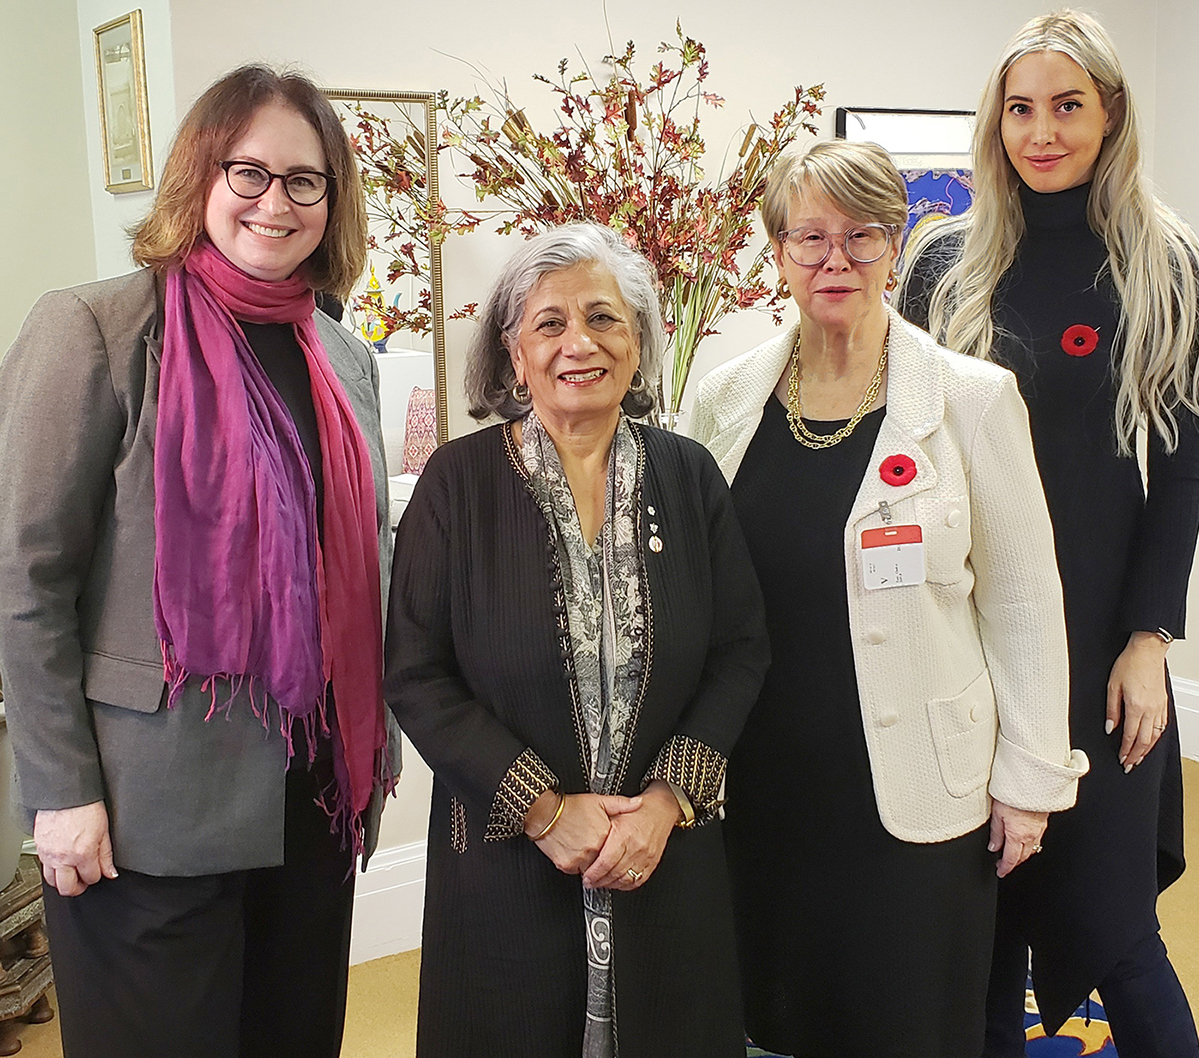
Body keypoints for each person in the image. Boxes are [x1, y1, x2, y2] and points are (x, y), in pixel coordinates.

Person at [0, 65, 398, 1058]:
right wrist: (57, 790)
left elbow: (364, 567)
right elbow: (24, 574)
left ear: (333, 200)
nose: (276, 201)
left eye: (306, 180)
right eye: (248, 171)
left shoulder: (344, 359)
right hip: (144, 817)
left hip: (312, 804)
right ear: (198, 175)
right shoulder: (94, 329)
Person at [689, 139, 1088, 1058]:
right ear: (778, 251)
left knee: (906, 1022)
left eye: (862, 238)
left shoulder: (971, 399)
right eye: (810, 238)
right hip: (764, 784)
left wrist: (1028, 784)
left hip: (915, 788)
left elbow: (1026, 601)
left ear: (897, 246)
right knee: (771, 1017)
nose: (836, 261)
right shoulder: (724, 400)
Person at [385, 222, 770, 1058]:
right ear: (514, 355)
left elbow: (741, 650)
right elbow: (416, 672)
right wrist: (544, 810)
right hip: (505, 862)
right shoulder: (459, 481)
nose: (578, 344)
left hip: (664, 853)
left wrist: (667, 803)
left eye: (604, 319)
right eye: (549, 324)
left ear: (639, 346)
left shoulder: (688, 472)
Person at [897, 11, 1199, 1057]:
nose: (1042, 130)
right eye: (1020, 107)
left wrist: (1151, 640)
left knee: (1119, 935)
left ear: (1109, 112)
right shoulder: (944, 264)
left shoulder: (1163, 264)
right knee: (977, 929)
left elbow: (1182, 472)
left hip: (1102, 655)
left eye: (1068, 105)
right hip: (968, 645)